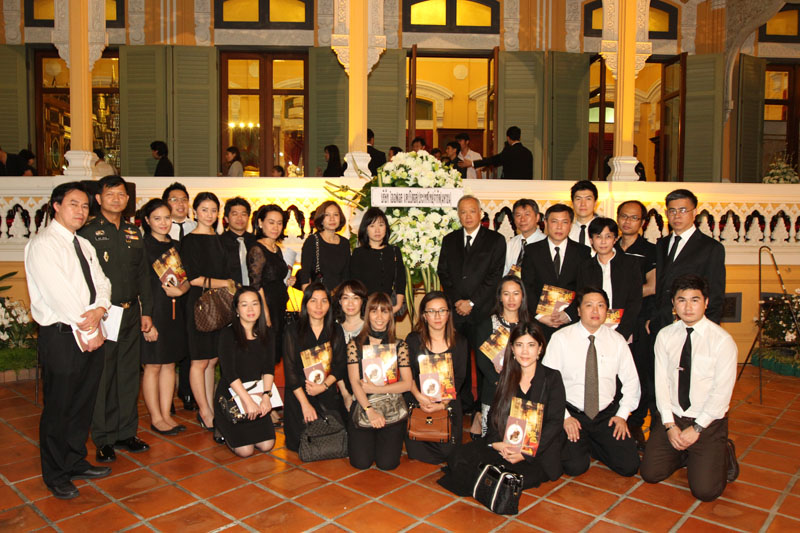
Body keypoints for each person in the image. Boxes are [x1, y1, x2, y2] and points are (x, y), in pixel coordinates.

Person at [24, 182, 112, 499]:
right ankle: (56, 473)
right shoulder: (43, 245)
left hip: (90, 328)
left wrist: (101, 307)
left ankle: (75, 461)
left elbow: (102, 281)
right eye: (74, 204)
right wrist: (88, 322)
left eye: (85, 206)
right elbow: (58, 293)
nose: (80, 211)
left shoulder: (84, 244)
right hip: (63, 335)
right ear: (56, 206)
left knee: (82, 403)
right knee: (59, 407)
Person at [640, 274, 739, 501]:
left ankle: (722, 450)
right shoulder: (665, 336)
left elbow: (721, 395)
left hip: (707, 422)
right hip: (675, 417)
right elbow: (661, 384)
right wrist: (669, 425)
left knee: (705, 492)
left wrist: (697, 428)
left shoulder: (722, 341)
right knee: (650, 473)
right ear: (673, 304)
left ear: (706, 302)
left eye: (695, 300)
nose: (688, 306)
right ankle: (685, 454)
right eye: (681, 300)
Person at [437, 322, 566, 495]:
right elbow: (495, 414)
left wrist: (525, 453)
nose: (525, 352)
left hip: (536, 452)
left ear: (540, 348)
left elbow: (555, 423)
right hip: (506, 443)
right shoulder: (508, 375)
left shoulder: (552, 378)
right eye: (519, 345)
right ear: (512, 349)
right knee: (457, 456)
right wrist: (497, 443)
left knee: (503, 476)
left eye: (531, 345)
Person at [79, 175, 152, 463]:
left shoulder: (134, 233)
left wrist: (147, 311)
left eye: (121, 194)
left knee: (128, 374)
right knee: (104, 375)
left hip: (131, 312)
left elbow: (144, 275)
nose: (117, 199)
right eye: (110, 194)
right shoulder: (88, 232)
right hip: (104, 313)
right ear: (99, 198)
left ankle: (126, 432)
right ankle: (104, 438)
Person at [543, 287, 641, 478]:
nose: (595, 311)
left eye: (600, 306)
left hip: (606, 415)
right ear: (579, 310)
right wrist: (564, 418)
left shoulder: (617, 340)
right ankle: (582, 443)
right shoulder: (561, 338)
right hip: (573, 414)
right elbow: (547, 383)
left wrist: (621, 415)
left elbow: (631, 382)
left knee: (629, 466)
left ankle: (593, 442)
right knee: (575, 467)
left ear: (607, 311)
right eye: (589, 305)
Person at [437, 195, 506, 414]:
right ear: (459, 215)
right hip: (456, 311)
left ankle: (482, 406)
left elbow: (495, 275)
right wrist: (458, 301)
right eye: (463, 212)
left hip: (483, 310)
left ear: (481, 213)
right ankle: (462, 402)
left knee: (484, 359)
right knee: (458, 358)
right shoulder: (450, 239)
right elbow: (444, 272)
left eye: (472, 211)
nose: (468, 216)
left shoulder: (495, 240)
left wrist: (472, 302)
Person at [181, 192, 236, 432]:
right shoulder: (190, 241)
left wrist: (228, 286)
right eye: (204, 209)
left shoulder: (220, 239)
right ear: (195, 212)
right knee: (199, 360)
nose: (209, 214)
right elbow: (193, 279)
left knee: (213, 360)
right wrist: (226, 284)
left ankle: (212, 407)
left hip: (221, 304)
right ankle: (204, 411)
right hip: (200, 304)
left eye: (213, 210)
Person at [140, 199, 189, 436]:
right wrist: (145, 317)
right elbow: (137, 285)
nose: (163, 223)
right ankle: (156, 417)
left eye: (167, 218)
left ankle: (167, 415)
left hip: (174, 312)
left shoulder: (177, 246)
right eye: (157, 218)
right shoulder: (142, 246)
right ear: (147, 220)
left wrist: (181, 290)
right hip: (153, 312)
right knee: (153, 365)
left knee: (169, 364)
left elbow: (186, 279)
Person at [347, 292, 413, 470]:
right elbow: (354, 382)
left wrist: (376, 388)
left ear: (391, 315)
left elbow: (407, 384)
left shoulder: (400, 345)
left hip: (392, 408)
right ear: (367, 314)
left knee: (387, 464)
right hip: (364, 406)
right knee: (361, 463)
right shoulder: (355, 345)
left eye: (384, 312)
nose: (379, 317)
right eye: (374, 311)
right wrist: (370, 411)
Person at [651, 189, 726, 338]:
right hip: (661, 325)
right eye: (672, 211)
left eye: (683, 210)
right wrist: (652, 318)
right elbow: (660, 285)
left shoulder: (710, 247)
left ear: (695, 212)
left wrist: (708, 330)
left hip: (693, 325)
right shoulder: (662, 244)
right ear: (666, 214)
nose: (677, 216)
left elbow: (715, 293)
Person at [282, 282, 348, 452]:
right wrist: (305, 404)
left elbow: (340, 365)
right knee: (299, 443)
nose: (319, 306)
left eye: (324, 301)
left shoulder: (336, 330)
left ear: (329, 304)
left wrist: (324, 386)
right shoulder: (292, 330)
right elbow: (290, 374)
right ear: (305, 304)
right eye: (313, 301)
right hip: (299, 394)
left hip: (326, 390)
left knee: (336, 436)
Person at [404, 291, 468, 463]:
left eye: (442, 310)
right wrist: (420, 398)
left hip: (448, 403)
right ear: (424, 316)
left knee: (448, 453)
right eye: (431, 311)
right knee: (417, 451)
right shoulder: (413, 340)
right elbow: (407, 373)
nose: (437, 316)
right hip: (419, 403)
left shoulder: (460, 342)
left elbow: (460, 378)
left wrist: (442, 404)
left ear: (448, 314)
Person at [214, 288, 277, 457]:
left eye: (255, 304)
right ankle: (221, 426)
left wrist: (266, 396)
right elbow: (229, 372)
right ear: (236, 309)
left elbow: (269, 369)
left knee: (267, 445)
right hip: (233, 394)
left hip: (257, 392)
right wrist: (247, 401)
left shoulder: (268, 333)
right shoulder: (227, 334)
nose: (250, 310)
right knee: (245, 450)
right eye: (244, 305)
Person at [616, 199, 657, 449]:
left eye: (634, 218)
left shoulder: (650, 250)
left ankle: (636, 423)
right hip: (610, 322)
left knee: (638, 373)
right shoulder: (610, 245)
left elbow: (652, 286)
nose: (627, 221)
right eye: (624, 216)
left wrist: (622, 296)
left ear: (642, 222)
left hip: (638, 321)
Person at [521, 203, 591, 339]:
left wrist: (569, 314)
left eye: (564, 222)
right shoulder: (532, 250)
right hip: (539, 322)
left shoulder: (582, 252)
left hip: (571, 322)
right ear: (546, 223)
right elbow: (527, 286)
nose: (559, 227)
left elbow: (585, 288)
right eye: (554, 222)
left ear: (570, 225)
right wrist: (540, 316)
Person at [570, 217, 642, 341]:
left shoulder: (630, 264)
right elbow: (581, 300)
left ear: (615, 239)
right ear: (591, 240)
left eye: (608, 236)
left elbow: (635, 301)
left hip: (624, 328)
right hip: (592, 328)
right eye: (598, 237)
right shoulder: (585, 267)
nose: (603, 242)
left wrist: (622, 332)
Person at [475, 276, 530, 436]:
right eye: (506, 294)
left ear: (523, 296)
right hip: (495, 387)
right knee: (492, 439)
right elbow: (482, 361)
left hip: (524, 387)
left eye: (516, 293)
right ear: (500, 297)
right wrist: (500, 382)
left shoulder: (530, 326)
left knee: (520, 438)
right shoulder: (487, 325)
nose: (511, 299)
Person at [161, 182, 197, 411]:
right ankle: (167, 396)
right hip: (168, 295)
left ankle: (187, 391)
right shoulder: (162, 229)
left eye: (183, 199)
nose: (180, 203)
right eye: (174, 199)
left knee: (190, 343)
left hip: (193, 294)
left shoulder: (198, 227)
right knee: (169, 344)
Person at [249, 204, 296, 353]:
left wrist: (289, 281)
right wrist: (265, 314)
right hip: (267, 306)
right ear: (261, 223)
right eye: (271, 222)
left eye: (279, 223)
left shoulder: (276, 249)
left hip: (279, 305)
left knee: (276, 352)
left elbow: (275, 277)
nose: (276, 227)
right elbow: (256, 285)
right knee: (267, 352)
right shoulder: (257, 249)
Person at [349, 207, 406, 315]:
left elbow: (400, 281)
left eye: (381, 225)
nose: (377, 230)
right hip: (365, 309)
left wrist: (397, 306)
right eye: (372, 226)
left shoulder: (394, 251)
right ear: (365, 229)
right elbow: (355, 285)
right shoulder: (358, 253)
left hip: (388, 308)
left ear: (386, 227)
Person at [299, 200, 351, 292]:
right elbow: (305, 274)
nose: (332, 219)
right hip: (319, 296)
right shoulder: (312, 241)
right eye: (327, 215)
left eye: (336, 215)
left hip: (339, 296)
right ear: (321, 219)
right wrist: (309, 298)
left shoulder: (344, 243)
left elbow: (346, 275)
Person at [463, 126, 533, 179]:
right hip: (525, 186)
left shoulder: (508, 152)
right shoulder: (528, 153)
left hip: (511, 186)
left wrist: (472, 163)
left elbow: (492, 160)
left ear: (508, 138)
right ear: (519, 137)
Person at [504, 198, 546, 276]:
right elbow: (505, 271)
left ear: (537, 217)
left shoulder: (546, 243)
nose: (522, 219)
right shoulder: (511, 243)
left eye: (527, 214)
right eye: (518, 215)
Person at [221, 197, 257, 287]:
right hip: (228, 295)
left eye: (243, 214)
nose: (240, 218)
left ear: (248, 217)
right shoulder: (218, 243)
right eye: (235, 214)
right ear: (226, 218)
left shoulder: (257, 242)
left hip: (254, 295)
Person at [569, 180, 599, 246]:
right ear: (572, 203)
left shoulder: (602, 230)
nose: (583, 204)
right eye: (578, 199)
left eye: (588, 199)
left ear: (595, 202)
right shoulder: (566, 231)